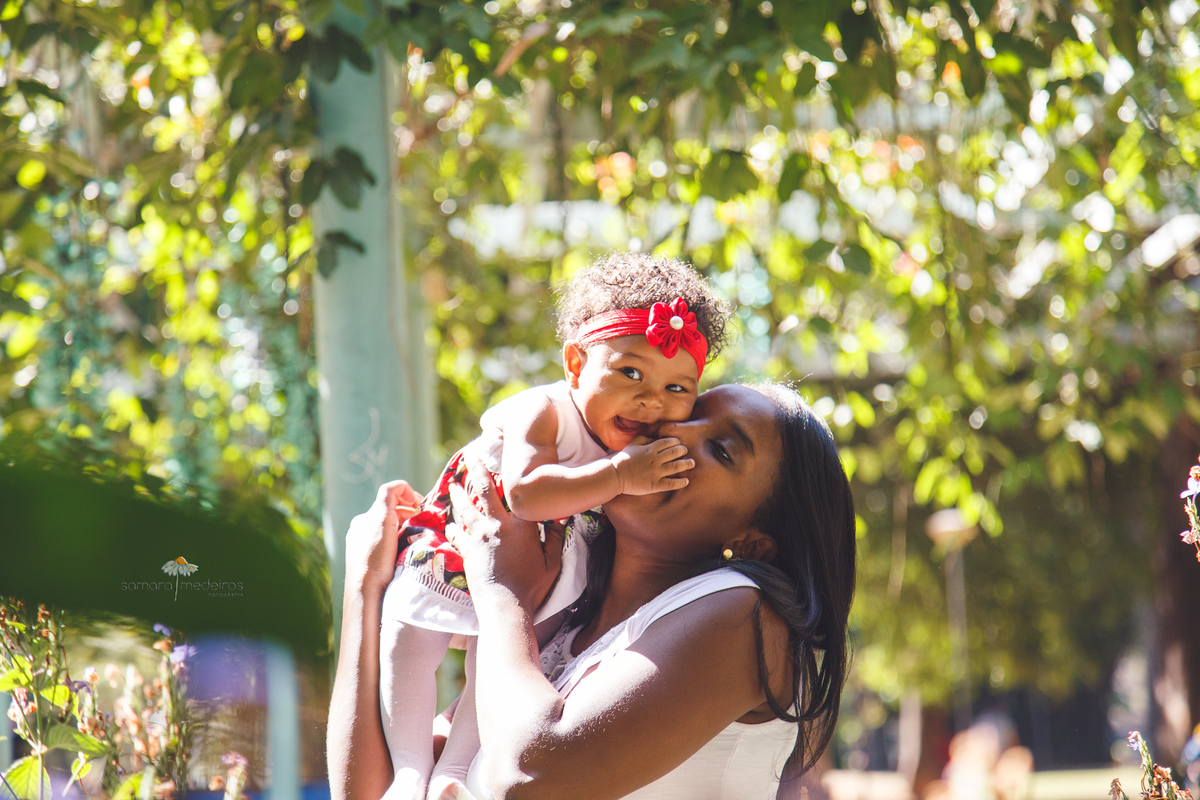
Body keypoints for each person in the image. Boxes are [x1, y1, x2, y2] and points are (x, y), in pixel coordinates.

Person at [331, 381, 857, 800]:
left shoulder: (744, 616)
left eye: (720, 448)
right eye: (686, 409)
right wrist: (364, 587)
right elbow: (377, 791)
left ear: (752, 542)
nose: (671, 428)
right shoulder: (560, 631)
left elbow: (533, 775)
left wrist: (501, 589)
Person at [379, 254, 732, 800]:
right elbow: (523, 494)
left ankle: (452, 773)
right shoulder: (543, 411)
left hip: (529, 579)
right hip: (454, 549)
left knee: (499, 661)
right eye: (630, 373)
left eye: (677, 389)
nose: (651, 400)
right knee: (409, 639)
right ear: (574, 364)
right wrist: (620, 475)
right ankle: (407, 772)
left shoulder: (638, 442)